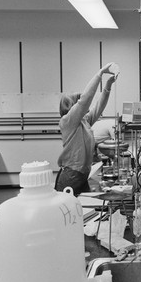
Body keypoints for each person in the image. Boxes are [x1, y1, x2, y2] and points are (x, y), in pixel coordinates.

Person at [55, 62, 118, 195]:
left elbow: (99, 107)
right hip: (71, 176)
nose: (85, 105)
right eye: (78, 102)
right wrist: (99, 74)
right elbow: (85, 100)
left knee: (83, 210)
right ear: (72, 106)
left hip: (81, 174)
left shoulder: (84, 121)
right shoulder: (68, 121)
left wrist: (107, 86)